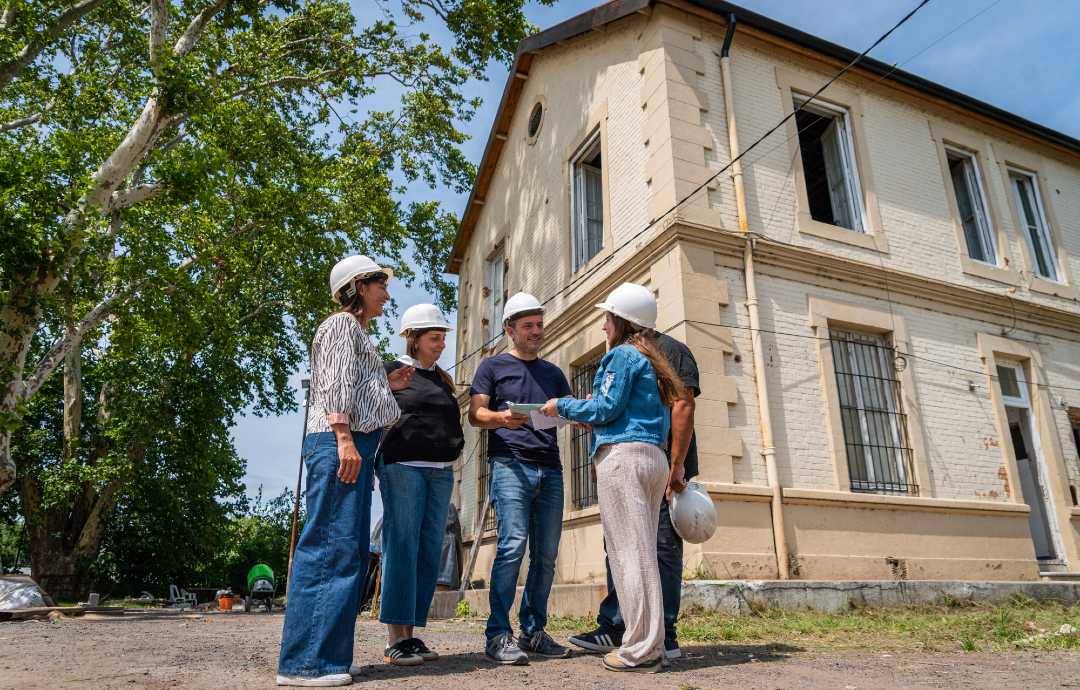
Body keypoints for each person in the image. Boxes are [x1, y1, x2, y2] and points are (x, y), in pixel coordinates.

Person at [277, 255, 413, 687]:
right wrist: (344, 439)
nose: (387, 294)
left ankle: (330, 656)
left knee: (348, 550)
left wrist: (386, 384)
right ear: (358, 287)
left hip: (353, 441)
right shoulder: (341, 325)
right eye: (380, 285)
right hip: (339, 440)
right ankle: (305, 665)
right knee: (329, 548)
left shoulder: (359, 334)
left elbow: (353, 385)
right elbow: (334, 384)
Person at [540, 282, 685, 674]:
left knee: (628, 555)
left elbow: (605, 407)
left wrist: (561, 406)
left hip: (624, 459)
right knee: (643, 554)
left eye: (607, 318)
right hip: (652, 458)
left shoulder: (621, 355)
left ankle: (639, 649)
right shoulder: (654, 360)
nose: (603, 325)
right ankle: (651, 642)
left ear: (623, 321)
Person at [568, 328, 700, 662]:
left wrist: (677, 465)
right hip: (645, 458)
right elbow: (621, 410)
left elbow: (683, 405)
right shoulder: (635, 354)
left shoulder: (667, 350)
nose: (603, 327)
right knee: (623, 550)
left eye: (608, 318)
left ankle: (659, 635)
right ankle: (621, 627)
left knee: (655, 549)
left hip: (656, 465)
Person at [468, 292, 573, 665]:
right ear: (510, 329)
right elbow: (475, 415)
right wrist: (501, 418)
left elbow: (567, 414)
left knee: (546, 555)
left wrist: (572, 410)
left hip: (551, 468)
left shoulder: (554, 374)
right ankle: (498, 634)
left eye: (539, 325)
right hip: (510, 464)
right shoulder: (492, 367)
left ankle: (533, 631)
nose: (536, 331)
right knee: (512, 546)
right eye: (528, 326)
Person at [376, 304, 464, 666]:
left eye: (443, 338)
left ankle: (411, 635)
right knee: (402, 547)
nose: (442, 344)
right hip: (403, 468)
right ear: (413, 338)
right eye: (434, 338)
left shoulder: (443, 379)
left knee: (428, 553)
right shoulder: (390, 371)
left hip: (439, 472)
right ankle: (394, 638)